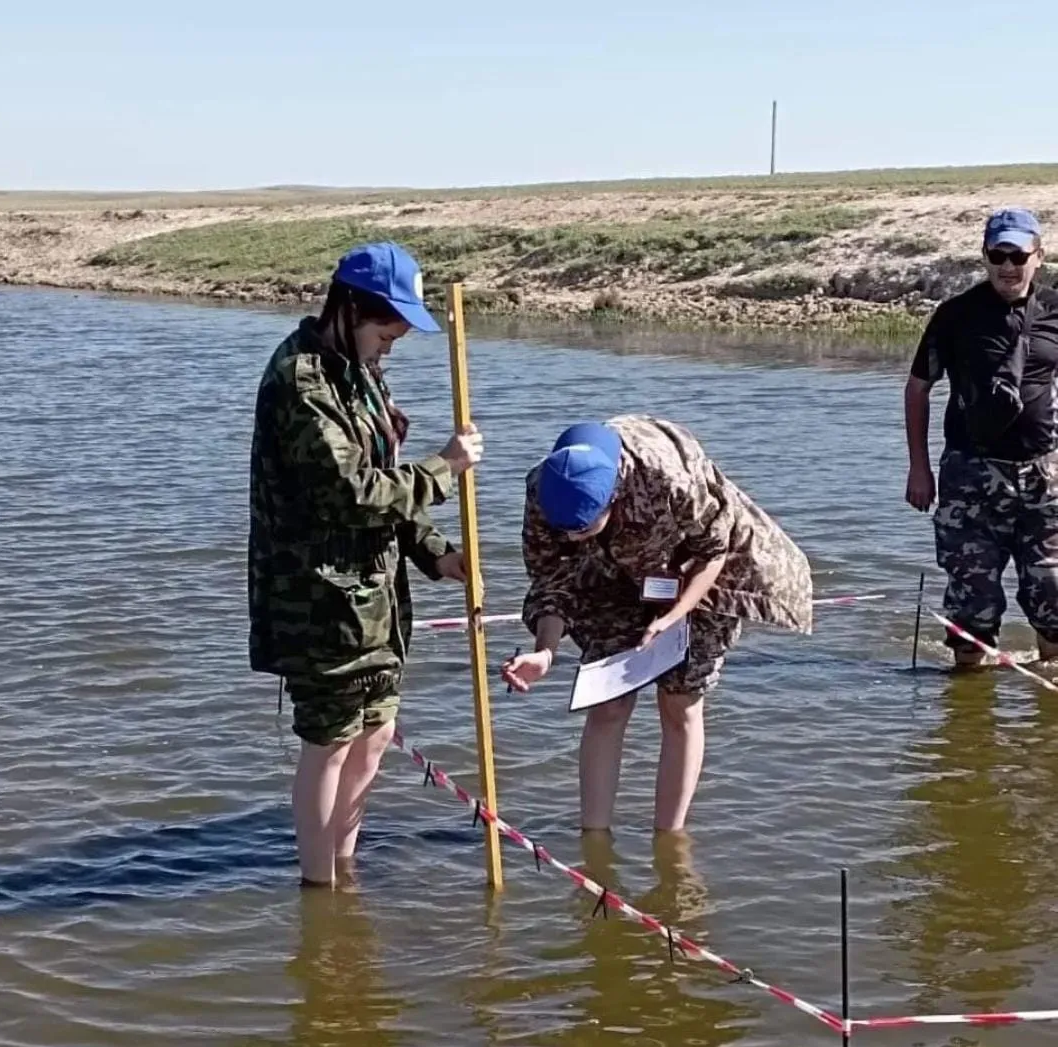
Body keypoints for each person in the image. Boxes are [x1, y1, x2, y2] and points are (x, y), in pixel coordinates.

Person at [248, 241, 484, 886]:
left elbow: (384, 484)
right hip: (317, 600)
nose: (392, 343)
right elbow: (352, 491)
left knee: (375, 735)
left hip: (377, 597)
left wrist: (435, 554)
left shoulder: (359, 370)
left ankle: (343, 864)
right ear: (349, 309)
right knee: (328, 743)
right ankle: (320, 890)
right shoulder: (300, 381)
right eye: (387, 329)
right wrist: (445, 467)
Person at [500, 415, 813, 832]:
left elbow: (713, 551)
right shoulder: (544, 491)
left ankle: (670, 837)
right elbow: (552, 580)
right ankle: (594, 839)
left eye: (583, 529)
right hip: (614, 574)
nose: (573, 538)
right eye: (566, 532)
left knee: (680, 701)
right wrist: (545, 651)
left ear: (613, 498)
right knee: (608, 702)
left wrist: (675, 614)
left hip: (698, 571)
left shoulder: (668, 478)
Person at [904, 207, 1058, 667]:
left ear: (1038, 256)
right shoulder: (956, 316)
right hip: (970, 474)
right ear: (985, 256)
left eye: (1018, 256)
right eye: (998, 255)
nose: (1008, 266)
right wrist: (919, 466)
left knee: (1053, 594)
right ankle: (969, 716)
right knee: (972, 602)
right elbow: (918, 387)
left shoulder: (1054, 311)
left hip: (1044, 475)